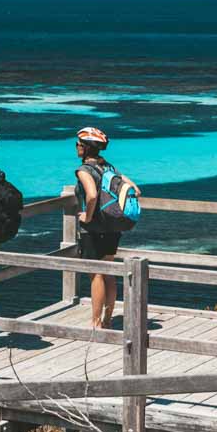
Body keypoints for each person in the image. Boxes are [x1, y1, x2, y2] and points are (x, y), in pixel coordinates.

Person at [74, 126, 138, 328]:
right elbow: (135, 189)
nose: (76, 147)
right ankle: (108, 320)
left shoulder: (84, 170)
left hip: (93, 229)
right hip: (112, 227)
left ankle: (95, 322)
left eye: (78, 144)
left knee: (96, 275)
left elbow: (91, 195)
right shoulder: (109, 168)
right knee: (108, 272)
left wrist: (87, 216)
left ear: (85, 148)